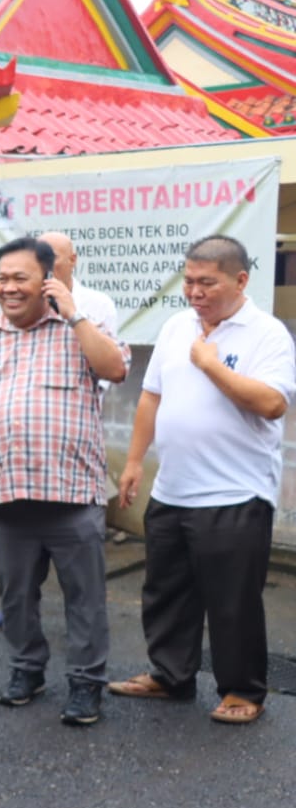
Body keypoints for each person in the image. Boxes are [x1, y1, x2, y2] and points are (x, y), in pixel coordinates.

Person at [0, 236, 129, 726]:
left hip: (72, 496)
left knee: (84, 600)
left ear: (46, 280)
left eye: (20, 278)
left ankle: (86, 685)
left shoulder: (80, 330)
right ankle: (27, 670)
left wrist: (73, 314)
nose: (8, 287)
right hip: (9, 496)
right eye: (2, 278)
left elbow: (114, 367)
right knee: (15, 596)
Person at [113, 235, 295, 725]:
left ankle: (242, 690)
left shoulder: (267, 334)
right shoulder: (176, 327)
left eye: (206, 283)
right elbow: (150, 397)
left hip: (234, 493)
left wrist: (212, 366)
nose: (194, 292)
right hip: (173, 488)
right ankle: (170, 676)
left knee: (232, 600)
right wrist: (134, 462)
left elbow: (273, 403)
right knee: (166, 591)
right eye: (188, 281)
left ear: (240, 280)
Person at [38, 231, 119, 340]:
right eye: (39, 259)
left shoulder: (99, 304)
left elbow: (110, 354)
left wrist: (75, 316)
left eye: (51, 258)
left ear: (72, 260)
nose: (44, 265)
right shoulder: (25, 303)